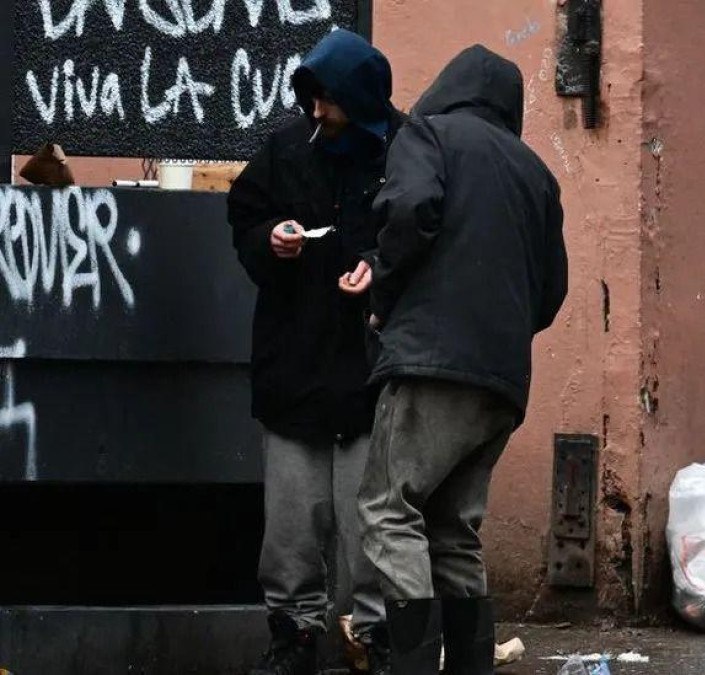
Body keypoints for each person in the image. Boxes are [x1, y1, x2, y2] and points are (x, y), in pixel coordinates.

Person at [359, 44, 567, 675]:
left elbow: (408, 209)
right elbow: (552, 289)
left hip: (431, 362)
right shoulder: (536, 172)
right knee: (454, 527)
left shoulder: (428, 134)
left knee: (390, 509)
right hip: (501, 380)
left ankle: (415, 665)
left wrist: (383, 292)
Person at [227, 29, 406, 675]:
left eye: (327, 100)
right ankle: (294, 637)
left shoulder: (406, 152)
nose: (316, 112)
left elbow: (425, 234)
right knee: (292, 526)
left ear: (359, 99)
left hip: (372, 370)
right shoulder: (285, 148)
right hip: (294, 363)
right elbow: (243, 214)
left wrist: (378, 270)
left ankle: (375, 639)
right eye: (311, 98)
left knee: (373, 527)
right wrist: (268, 240)